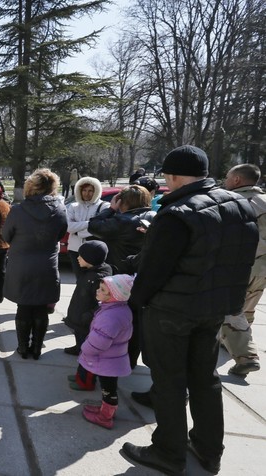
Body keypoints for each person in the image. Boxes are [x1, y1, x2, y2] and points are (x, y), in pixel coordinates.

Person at [122, 145, 258, 476]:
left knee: (169, 381)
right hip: (212, 308)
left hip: (172, 310)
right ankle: (209, 449)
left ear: (174, 175)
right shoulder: (240, 205)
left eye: (167, 178)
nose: (166, 185)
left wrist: (134, 300)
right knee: (204, 379)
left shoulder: (178, 213)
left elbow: (154, 270)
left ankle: (168, 452)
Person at [2, 168, 67, 360]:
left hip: (21, 265)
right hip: (47, 264)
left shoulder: (18, 210)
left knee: (24, 307)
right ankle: (37, 348)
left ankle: (23, 348)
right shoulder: (60, 209)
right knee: (41, 308)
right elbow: (61, 234)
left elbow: (6, 235)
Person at [221, 164, 266, 377]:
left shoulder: (235, 202)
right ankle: (228, 342)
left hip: (240, 267)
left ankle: (247, 357)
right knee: (247, 308)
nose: (225, 180)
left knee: (232, 309)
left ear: (237, 180)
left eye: (228, 176)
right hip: (262, 269)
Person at [73, 274, 135, 429]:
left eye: (102, 290)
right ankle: (105, 409)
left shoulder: (110, 316)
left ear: (114, 296)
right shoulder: (120, 309)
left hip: (106, 360)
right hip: (113, 358)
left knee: (108, 388)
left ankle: (105, 416)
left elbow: (99, 342)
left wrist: (84, 349)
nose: (97, 291)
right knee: (109, 386)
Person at [88, 185, 155, 274]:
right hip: (146, 270)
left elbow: (93, 226)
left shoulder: (122, 221)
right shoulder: (154, 216)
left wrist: (111, 209)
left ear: (122, 201)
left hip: (121, 272)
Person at [64, 241, 113, 358]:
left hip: (86, 317)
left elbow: (101, 302)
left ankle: (84, 358)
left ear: (91, 260)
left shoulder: (98, 278)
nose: (78, 258)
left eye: (82, 256)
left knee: (84, 337)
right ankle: (78, 348)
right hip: (80, 310)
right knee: (78, 333)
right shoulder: (89, 271)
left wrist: (89, 315)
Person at [65, 176, 109, 278]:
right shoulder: (73, 206)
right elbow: (69, 227)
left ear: (96, 191)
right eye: (84, 190)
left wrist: (78, 231)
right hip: (75, 249)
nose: (86, 193)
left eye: (90, 191)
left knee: (94, 280)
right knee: (80, 280)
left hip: (94, 250)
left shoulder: (104, 206)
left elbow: (101, 229)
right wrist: (90, 223)